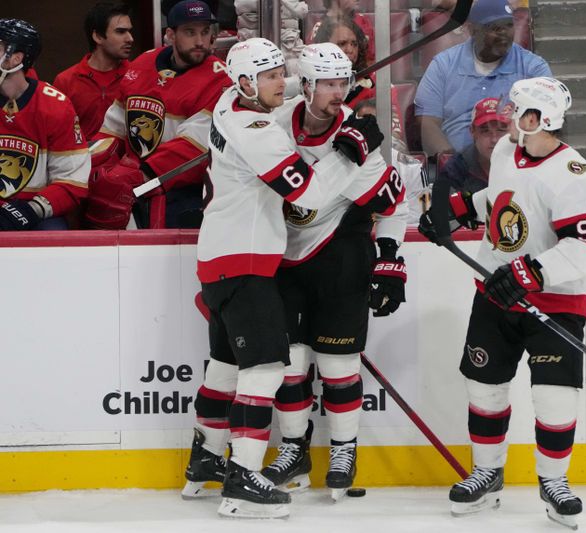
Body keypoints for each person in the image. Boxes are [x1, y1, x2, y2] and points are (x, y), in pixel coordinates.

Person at [183, 38, 380, 518]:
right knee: (268, 367)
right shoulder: (256, 130)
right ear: (247, 82)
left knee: (225, 366)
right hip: (246, 261)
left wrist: (332, 89)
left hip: (220, 255)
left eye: (282, 74)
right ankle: (243, 479)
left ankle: (204, 460)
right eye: (271, 76)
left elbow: (283, 87)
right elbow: (309, 196)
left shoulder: (229, 98)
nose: (281, 83)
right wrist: (350, 151)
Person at [419, 77, 586, 530]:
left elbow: (583, 248)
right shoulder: (506, 150)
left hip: (555, 304)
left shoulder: (574, 176)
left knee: (553, 397)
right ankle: (487, 472)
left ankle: (554, 482)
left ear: (538, 120)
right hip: (495, 295)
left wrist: (528, 274)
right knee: (484, 389)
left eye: (515, 110)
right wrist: (458, 209)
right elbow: (501, 200)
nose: (506, 116)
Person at [259, 43, 408, 501]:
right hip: (284, 259)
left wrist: (389, 259)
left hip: (341, 256)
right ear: (305, 85)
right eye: (327, 83)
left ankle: (344, 450)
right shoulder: (276, 123)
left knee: (339, 365)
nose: (337, 92)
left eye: (343, 82)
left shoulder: (360, 137)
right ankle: (293, 450)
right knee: (290, 366)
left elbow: (394, 206)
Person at [84, 0, 229, 230]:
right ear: (171, 35)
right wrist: (95, 167)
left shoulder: (220, 79)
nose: (200, 41)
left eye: (205, 32)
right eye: (190, 32)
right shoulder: (143, 63)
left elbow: (195, 145)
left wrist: (140, 175)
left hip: (185, 193)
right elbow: (113, 127)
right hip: (131, 186)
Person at [414, 0, 551, 155]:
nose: (504, 34)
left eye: (509, 25)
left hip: (515, 163)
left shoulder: (533, 68)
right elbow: (427, 122)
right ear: (473, 30)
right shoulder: (443, 65)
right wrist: (453, 164)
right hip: (460, 165)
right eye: (495, 28)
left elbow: (547, 123)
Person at [0, 19, 90, 231]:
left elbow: (72, 182)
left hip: (36, 212)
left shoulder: (55, 106)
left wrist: (31, 211)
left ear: (15, 59)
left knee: (56, 238)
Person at [53, 2, 133, 140]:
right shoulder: (65, 81)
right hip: (82, 160)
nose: (130, 39)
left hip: (126, 161)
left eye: (130, 31)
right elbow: (56, 135)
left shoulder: (138, 77)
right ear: (98, 37)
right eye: (120, 32)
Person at [437, 96, 510, 194]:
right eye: (486, 131)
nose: (494, 139)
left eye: (501, 130)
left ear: (511, 131)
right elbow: (441, 207)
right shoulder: (455, 169)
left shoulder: (525, 165)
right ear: (472, 132)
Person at [310, 0, 375, 65]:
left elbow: (372, 59)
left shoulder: (363, 21)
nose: (350, 50)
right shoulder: (319, 28)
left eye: (355, 44)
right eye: (342, 44)